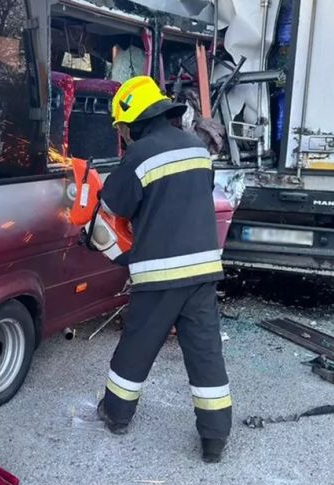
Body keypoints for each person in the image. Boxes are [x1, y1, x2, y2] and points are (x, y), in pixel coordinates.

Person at [96, 75, 231, 463]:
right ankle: (214, 439)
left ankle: (117, 414)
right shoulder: (196, 148)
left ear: (132, 122)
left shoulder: (139, 155)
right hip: (204, 271)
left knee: (136, 348)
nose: (121, 134)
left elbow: (116, 205)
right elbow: (192, 197)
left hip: (159, 274)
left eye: (121, 127)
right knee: (205, 354)